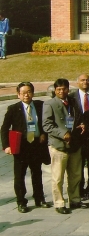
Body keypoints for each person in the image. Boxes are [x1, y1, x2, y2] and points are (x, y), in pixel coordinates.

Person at [1, 82, 51, 212]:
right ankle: (21, 202)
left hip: (36, 145)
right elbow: (4, 128)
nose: (26, 95)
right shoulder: (13, 109)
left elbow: (46, 122)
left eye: (29, 92)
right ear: (18, 95)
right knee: (20, 175)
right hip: (21, 147)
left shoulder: (40, 105)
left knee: (37, 173)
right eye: (23, 93)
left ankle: (39, 198)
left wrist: (43, 134)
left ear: (32, 93)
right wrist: (6, 146)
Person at [42, 78, 88, 214]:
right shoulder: (49, 104)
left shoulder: (73, 102)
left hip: (74, 144)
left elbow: (79, 117)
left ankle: (74, 199)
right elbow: (47, 125)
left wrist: (82, 124)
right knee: (58, 177)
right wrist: (63, 134)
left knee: (75, 175)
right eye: (59, 89)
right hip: (59, 145)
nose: (62, 91)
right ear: (55, 91)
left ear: (68, 89)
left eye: (64, 89)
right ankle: (59, 202)